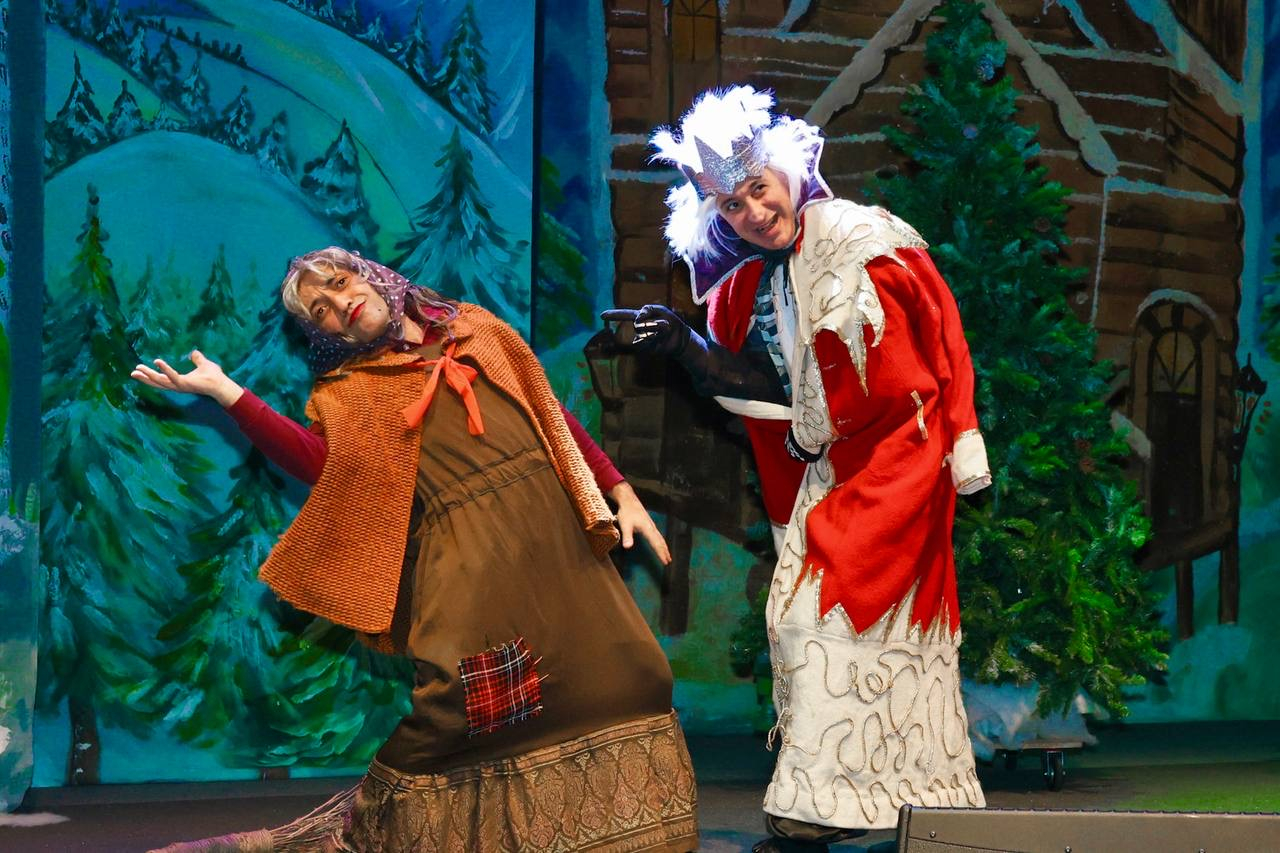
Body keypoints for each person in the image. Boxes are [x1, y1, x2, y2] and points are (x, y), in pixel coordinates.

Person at [132, 247, 698, 853]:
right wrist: (228, 393)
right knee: (465, 707)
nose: (339, 305)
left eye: (339, 283)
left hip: (556, 539)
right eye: (320, 310)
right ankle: (367, 833)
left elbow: (547, 411)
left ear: (369, 276)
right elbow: (319, 463)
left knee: (634, 675)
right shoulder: (351, 391)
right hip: (468, 562)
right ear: (322, 334)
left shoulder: (476, 328)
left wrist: (618, 489)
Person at [605, 86, 989, 852]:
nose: (753, 210)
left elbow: (943, 327)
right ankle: (861, 797)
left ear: (784, 172)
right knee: (811, 622)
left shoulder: (860, 235)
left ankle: (839, 803)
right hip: (837, 469)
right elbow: (767, 388)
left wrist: (963, 436)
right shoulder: (753, 288)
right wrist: (685, 343)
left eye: (758, 188)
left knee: (826, 617)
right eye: (732, 203)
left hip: (902, 456)